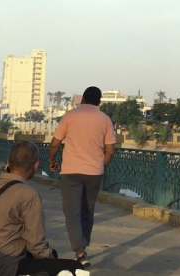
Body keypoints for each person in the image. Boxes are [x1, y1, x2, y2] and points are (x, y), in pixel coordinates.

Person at [0, 141, 84, 276]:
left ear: (8, 162)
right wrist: (52, 258)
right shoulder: (29, 195)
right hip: (3, 268)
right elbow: (37, 246)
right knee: (74, 268)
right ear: (36, 165)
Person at [48, 86, 115, 268]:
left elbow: (55, 143)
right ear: (99, 101)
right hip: (94, 172)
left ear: (83, 99)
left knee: (72, 212)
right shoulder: (105, 120)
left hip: (71, 172)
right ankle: (83, 245)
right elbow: (110, 150)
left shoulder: (70, 116)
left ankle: (79, 251)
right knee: (88, 210)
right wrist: (103, 164)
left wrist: (52, 159)